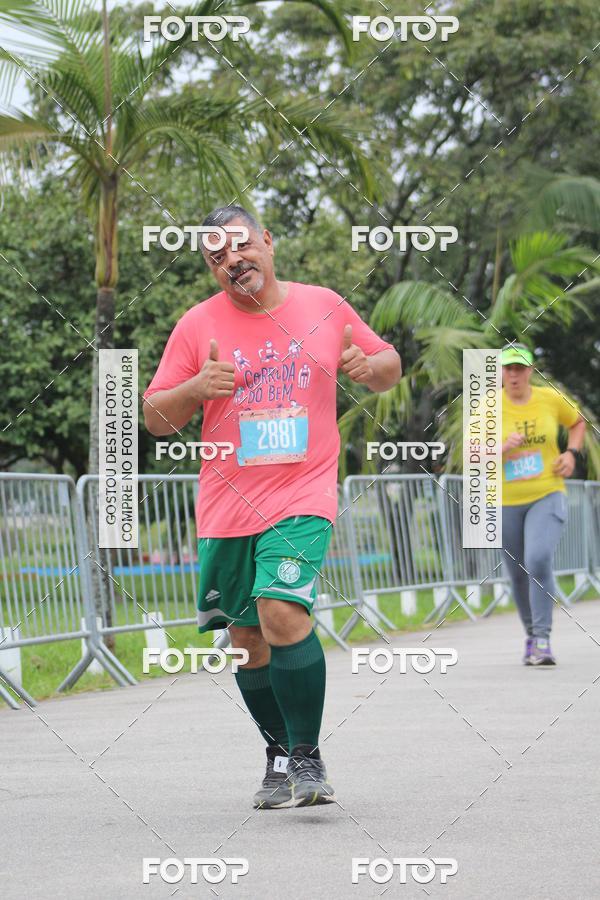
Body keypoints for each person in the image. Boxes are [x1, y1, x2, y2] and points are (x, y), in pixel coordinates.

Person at [142, 205, 402, 808]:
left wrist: (369, 367)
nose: (232, 260)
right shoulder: (196, 325)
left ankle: (308, 758)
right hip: (228, 504)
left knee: (281, 611)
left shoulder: (323, 305)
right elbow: (155, 417)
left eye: (239, 245)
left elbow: (388, 365)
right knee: (245, 640)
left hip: (303, 493)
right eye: (216, 256)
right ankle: (278, 751)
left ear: (267, 241)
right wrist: (193, 390)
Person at [500, 343, 585, 666]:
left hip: (547, 493)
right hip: (505, 501)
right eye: (508, 368)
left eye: (520, 368)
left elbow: (577, 423)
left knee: (537, 559)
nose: (514, 374)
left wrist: (571, 453)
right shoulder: (487, 408)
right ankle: (532, 636)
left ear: (530, 371)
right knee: (518, 574)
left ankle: (543, 638)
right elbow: (471, 452)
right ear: (501, 373)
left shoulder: (550, 399)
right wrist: (499, 447)